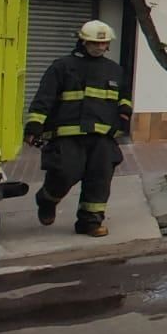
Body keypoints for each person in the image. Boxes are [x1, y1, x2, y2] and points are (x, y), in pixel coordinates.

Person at [24, 20, 130, 238]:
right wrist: (35, 125)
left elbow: (124, 98)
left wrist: (124, 116)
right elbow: (45, 97)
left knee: (99, 179)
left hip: (102, 137)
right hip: (68, 134)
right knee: (64, 172)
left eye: (104, 44)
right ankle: (47, 199)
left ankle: (89, 222)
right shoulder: (62, 66)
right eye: (94, 43)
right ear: (82, 41)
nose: (100, 48)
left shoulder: (114, 70)